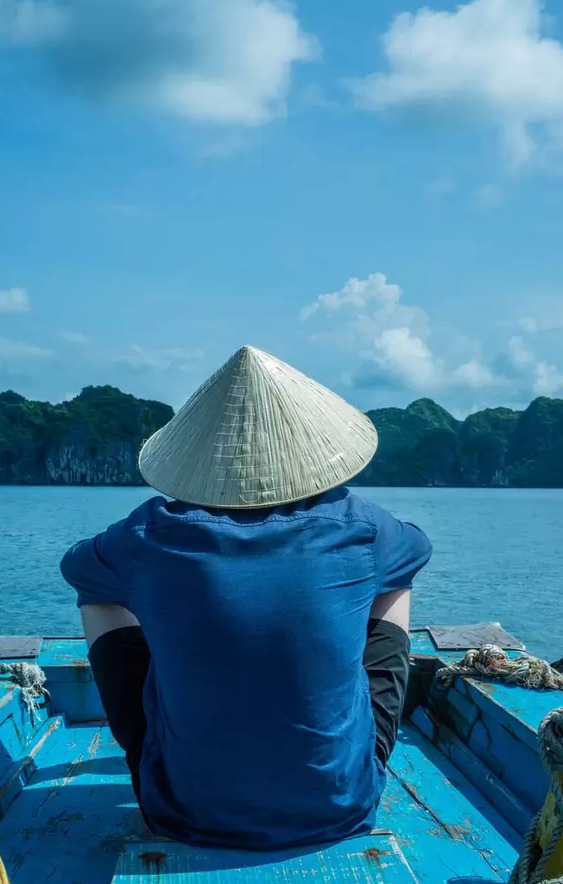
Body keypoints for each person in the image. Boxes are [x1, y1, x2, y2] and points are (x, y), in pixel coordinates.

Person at [60, 345, 432, 850]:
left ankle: (152, 745)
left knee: (102, 595)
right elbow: (417, 548)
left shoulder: (146, 535)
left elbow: (78, 567)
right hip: (341, 808)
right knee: (393, 581)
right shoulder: (362, 527)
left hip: (182, 811)